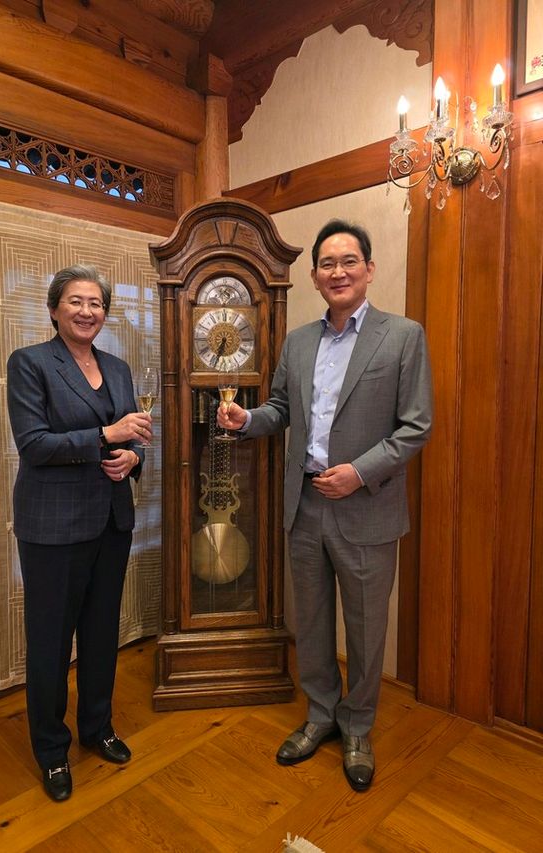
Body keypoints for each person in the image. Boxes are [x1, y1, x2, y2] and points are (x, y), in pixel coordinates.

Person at [218, 220, 432, 792]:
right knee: (310, 621)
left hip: (367, 507)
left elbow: (415, 427)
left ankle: (357, 726)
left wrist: (358, 473)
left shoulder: (403, 335)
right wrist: (246, 419)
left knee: (365, 628)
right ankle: (320, 715)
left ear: (369, 269)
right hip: (306, 504)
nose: (338, 272)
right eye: (327, 264)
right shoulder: (298, 342)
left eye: (349, 261)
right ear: (314, 276)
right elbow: (280, 409)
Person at [6, 264, 152, 802]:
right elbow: (34, 445)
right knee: (50, 642)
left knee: (100, 633)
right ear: (54, 309)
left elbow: (133, 439)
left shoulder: (117, 367)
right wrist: (107, 435)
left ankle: (97, 727)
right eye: (76, 301)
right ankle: (51, 751)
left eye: (96, 303)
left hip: (111, 520)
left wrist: (131, 458)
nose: (87, 311)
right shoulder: (30, 363)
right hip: (52, 526)